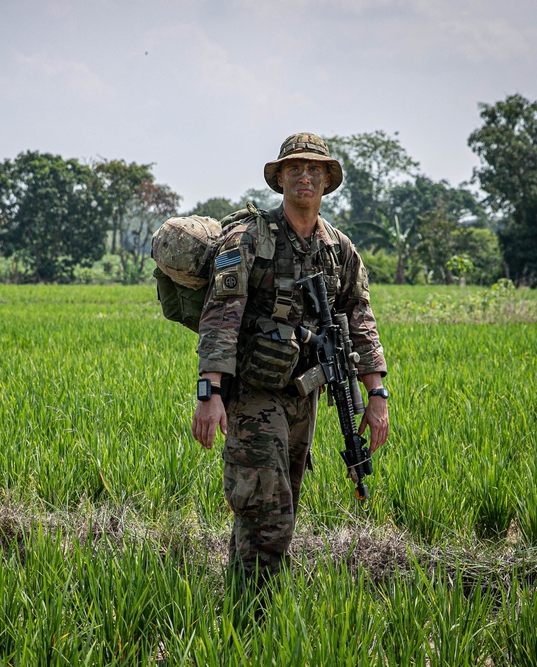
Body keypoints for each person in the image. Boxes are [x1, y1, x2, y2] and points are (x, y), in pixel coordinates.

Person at [191, 132, 389, 590]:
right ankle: (255, 622)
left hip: (307, 393)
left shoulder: (339, 248)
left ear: (326, 181)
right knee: (266, 511)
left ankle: (242, 610)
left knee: (279, 508)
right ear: (279, 179)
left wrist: (375, 394)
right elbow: (220, 318)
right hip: (255, 393)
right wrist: (210, 393)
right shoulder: (249, 238)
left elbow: (360, 318)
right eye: (295, 168)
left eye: (315, 169)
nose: (305, 176)